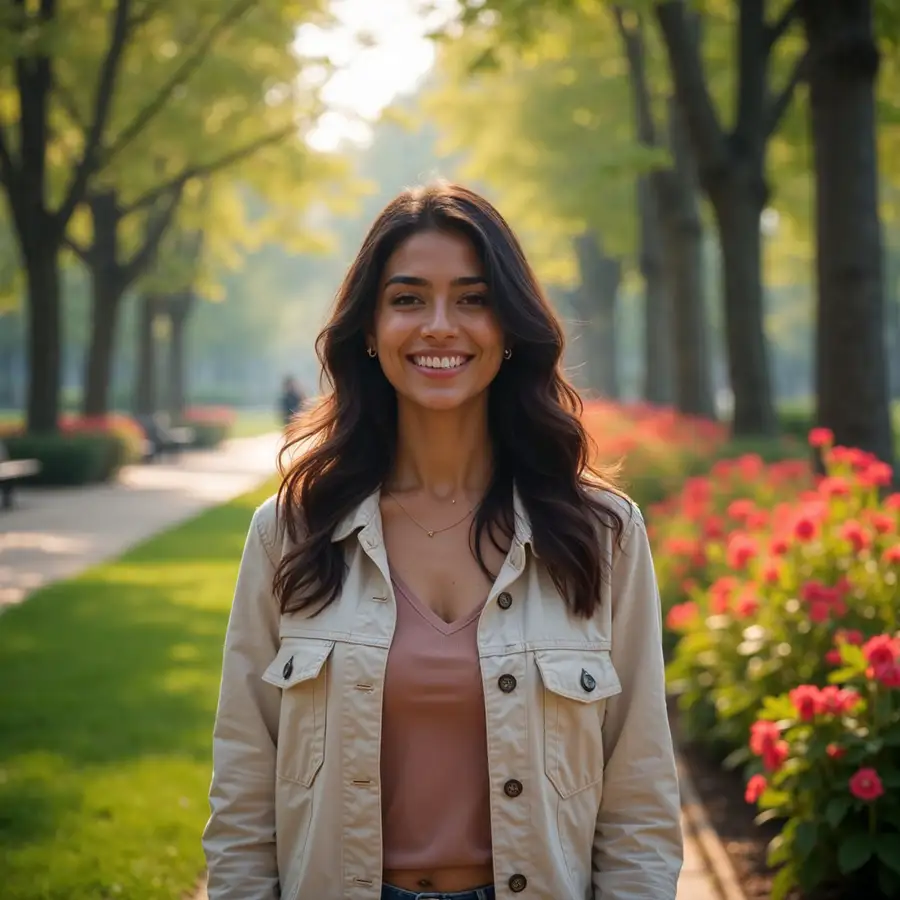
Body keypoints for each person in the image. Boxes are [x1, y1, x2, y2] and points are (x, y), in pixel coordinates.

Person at [203, 182, 683, 900]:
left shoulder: (600, 534)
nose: (439, 325)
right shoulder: (292, 533)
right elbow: (243, 790)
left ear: (511, 327)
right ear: (368, 328)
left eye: (473, 298)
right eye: (407, 299)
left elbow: (639, 794)